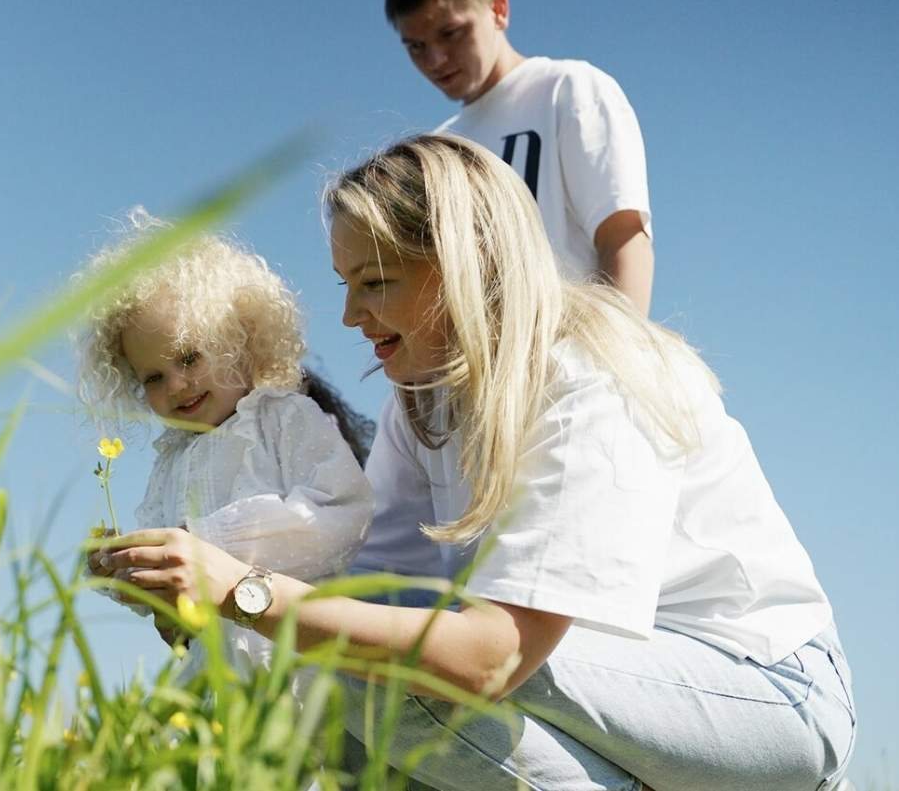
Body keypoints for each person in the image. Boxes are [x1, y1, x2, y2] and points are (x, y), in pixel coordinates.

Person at [91, 137, 855, 789]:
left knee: (389, 674)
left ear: (463, 262)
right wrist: (197, 606)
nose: (350, 316)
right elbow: (368, 590)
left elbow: (489, 656)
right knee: (331, 675)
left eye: (374, 282)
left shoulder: (586, 377)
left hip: (769, 693)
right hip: (606, 685)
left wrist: (243, 590)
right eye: (345, 286)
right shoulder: (422, 405)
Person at [75, 208, 374, 687]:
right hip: (215, 673)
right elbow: (170, 571)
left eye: (189, 357)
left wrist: (210, 540)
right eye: (152, 378)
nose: (176, 385)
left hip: (301, 658)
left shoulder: (283, 417)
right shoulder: (171, 460)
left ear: (240, 340)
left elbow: (340, 513)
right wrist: (125, 569)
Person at [387, 0, 654, 315]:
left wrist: (619, 351)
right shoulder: (438, 147)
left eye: (451, 33)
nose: (435, 59)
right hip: (481, 354)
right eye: (416, 46)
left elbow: (623, 236)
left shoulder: (568, 89)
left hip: (575, 347)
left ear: (498, 10)